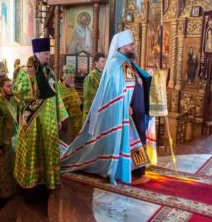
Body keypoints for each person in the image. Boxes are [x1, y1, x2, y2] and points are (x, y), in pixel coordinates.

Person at [60, 30, 152, 185]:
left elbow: (137, 81)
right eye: (131, 44)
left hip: (136, 110)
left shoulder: (128, 62)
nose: (134, 47)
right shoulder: (115, 63)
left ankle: (137, 167)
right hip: (125, 111)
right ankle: (127, 169)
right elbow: (117, 90)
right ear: (122, 46)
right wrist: (126, 105)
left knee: (137, 138)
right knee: (131, 139)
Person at [13, 38, 68, 191]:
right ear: (36, 53)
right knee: (34, 152)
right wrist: (32, 81)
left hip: (50, 119)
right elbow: (17, 90)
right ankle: (32, 186)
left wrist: (58, 117)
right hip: (33, 121)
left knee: (49, 151)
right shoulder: (26, 71)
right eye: (45, 53)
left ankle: (48, 182)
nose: (48, 56)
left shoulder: (49, 71)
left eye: (49, 53)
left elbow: (55, 95)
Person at [58, 64, 82, 142]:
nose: (73, 79)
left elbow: (78, 103)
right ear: (65, 78)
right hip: (67, 125)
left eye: (73, 77)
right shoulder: (59, 88)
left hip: (77, 123)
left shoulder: (72, 87)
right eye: (71, 77)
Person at [82, 53, 106, 122]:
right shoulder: (91, 77)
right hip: (94, 112)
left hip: (103, 109)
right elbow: (87, 96)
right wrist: (88, 114)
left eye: (105, 61)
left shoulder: (105, 75)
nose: (104, 63)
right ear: (96, 63)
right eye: (102, 61)